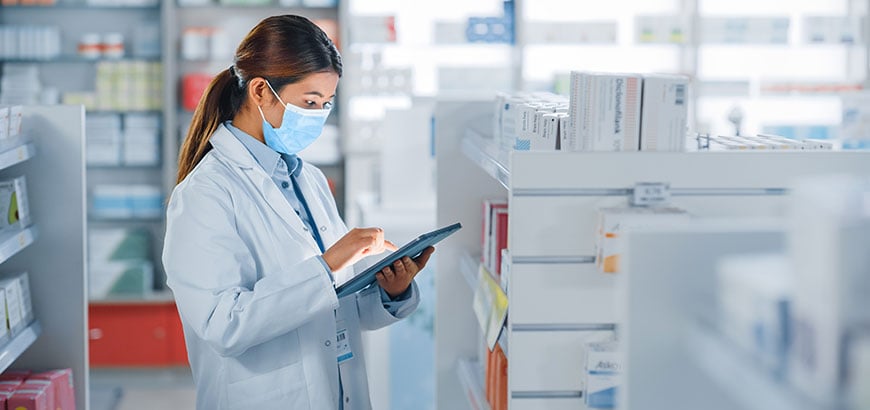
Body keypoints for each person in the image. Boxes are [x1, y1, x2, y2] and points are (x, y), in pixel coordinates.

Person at [163, 15, 435, 410]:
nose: (318, 116)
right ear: (261, 91)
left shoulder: (306, 178)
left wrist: (391, 292)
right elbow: (224, 325)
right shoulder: (206, 193)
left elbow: (335, 306)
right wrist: (327, 265)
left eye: (325, 104)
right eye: (309, 102)